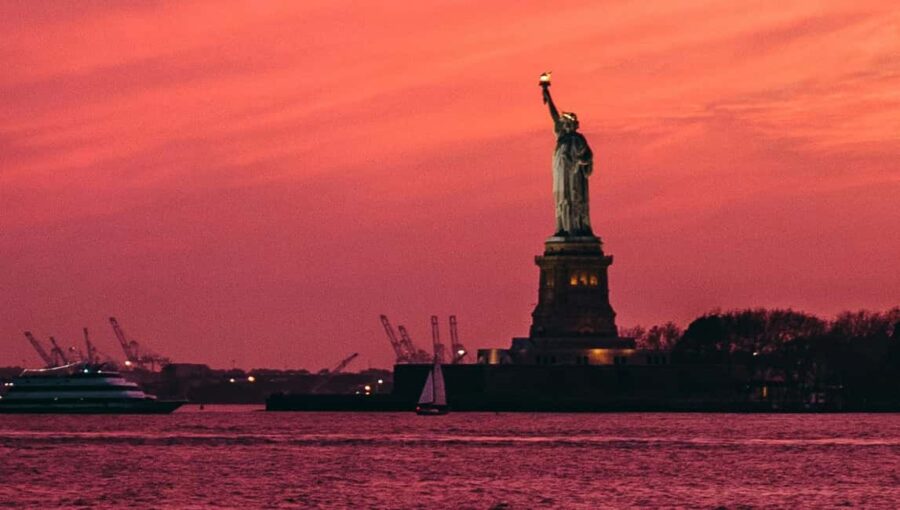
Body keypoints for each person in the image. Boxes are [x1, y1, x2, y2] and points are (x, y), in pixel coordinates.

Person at [542, 84, 594, 236]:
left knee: (575, 198)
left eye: (568, 122)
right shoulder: (562, 137)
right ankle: (563, 227)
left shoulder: (578, 139)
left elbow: (587, 157)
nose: (565, 124)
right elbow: (554, 115)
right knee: (562, 199)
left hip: (575, 176)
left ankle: (577, 227)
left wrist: (582, 162)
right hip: (561, 174)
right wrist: (547, 94)